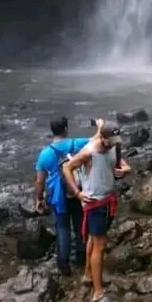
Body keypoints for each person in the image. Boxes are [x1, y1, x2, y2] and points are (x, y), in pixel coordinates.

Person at [63, 122, 131, 302]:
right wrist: (77, 193)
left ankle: (87, 275)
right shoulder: (88, 152)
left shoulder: (114, 146)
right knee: (99, 247)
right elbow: (67, 168)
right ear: (101, 137)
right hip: (95, 204)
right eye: (110, 141)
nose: (113, 144)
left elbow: (121, 164)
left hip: (108, 201)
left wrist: (125, 170)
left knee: (94, 240)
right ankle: (98, 293)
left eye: (115, 141)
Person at [34, 116, 103, 275]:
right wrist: (99, 126)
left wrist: (39, 199)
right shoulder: (75, 144)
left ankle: (63, 264)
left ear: (52, 131)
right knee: (80, 225)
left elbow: (39, 181)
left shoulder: (45, 153)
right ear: (66, 129)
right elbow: (97, 139)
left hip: (57, 197)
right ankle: (81, 257)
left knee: (62, 229)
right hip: (76, 191)